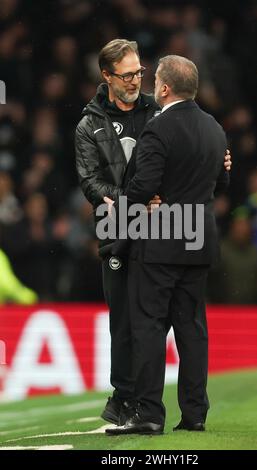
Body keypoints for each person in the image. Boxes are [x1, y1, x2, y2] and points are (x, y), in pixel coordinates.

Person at [75, 39, 232, 426]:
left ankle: (142, 408)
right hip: (121, 227)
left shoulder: (159, 114)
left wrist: (216, 162)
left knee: (145, 322)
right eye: (127, 74)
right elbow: (90, 182)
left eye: (140, 73)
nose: (135, 80)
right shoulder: (89, 124)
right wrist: (131, 203)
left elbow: (174, 163)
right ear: (107, 76)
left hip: (159, 234)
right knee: (124, 321)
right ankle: (126, 399)